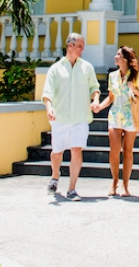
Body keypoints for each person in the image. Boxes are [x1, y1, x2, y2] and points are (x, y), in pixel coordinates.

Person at [41, 33, 102, 201]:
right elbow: (47, 92)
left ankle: (72, 188)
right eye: (80, 46)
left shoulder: (87, 68)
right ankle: (55, 175)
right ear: (70, 46)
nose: (82, 50)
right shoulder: (56, 69)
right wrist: (49, 108)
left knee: (76, 150)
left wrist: (95, 99)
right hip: (60, 118)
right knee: (57, 153)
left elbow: (94, 87)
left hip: (80, 117)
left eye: (83, 47)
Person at [97, 45, 139, 197]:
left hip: (130, 117)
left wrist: (134, 89)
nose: (115, 57)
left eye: (118, 55)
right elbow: (111, 97)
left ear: (125, 59)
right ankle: (114, 181)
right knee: (114, 151)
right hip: (115, 115)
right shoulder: (112, 76)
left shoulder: (137, 77)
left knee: (127, 151)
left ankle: (125, 186)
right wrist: (100, 106)